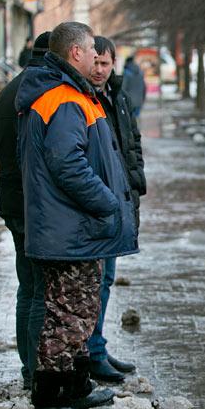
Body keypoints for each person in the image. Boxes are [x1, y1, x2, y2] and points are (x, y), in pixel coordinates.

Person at [16, 21, 138, 409]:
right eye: (90, 50)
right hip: (69, 228)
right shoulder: (64, 98)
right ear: (76, 54)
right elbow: (67, 163)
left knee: (80, 313)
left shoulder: (73, 94)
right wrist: (106, 202)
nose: (94, 57)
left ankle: (76, 386)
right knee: (66, 316)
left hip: (76, 228)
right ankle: (52, 401)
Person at [0, 32, 51, 390]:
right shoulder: (37, 93)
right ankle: (36, 369)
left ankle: (29, 367)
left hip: (13, 201)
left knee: (26, 287)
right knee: (39, 290)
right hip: (33, 205)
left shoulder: (11, 89)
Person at [86, 35, 147, 383]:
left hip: (119, 201)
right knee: (93, 282)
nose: (99, 70)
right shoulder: (84, 98)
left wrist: (136, 178)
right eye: (95, 63)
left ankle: (97, 348)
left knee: (106, 279)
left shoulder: (117, 97)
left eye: (105, 64)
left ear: (113, 64)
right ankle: (90, 352)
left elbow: (132, 142)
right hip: (99, 204)